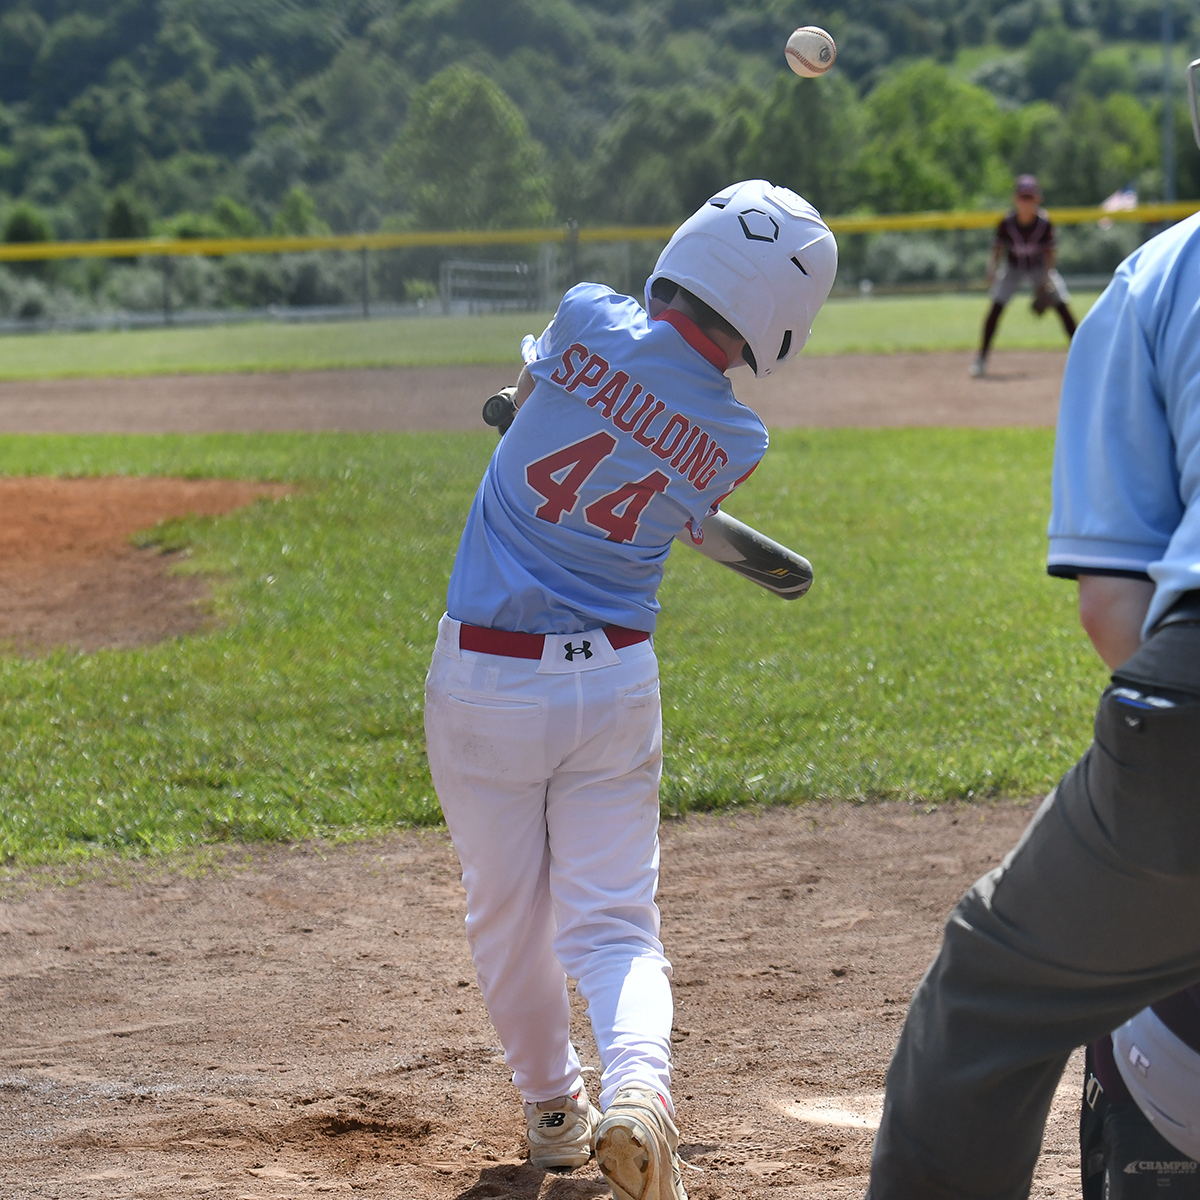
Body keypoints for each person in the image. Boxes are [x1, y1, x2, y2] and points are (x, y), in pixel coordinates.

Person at [423, 180, 836, 1200]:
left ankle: (555, 1114)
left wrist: (528, 398)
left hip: (484, 679)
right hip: (613, 681)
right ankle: (641, 1093)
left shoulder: (582, 314)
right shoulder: (740, 443)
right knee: (614, 923)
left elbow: (525, 404)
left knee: (509, 918)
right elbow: (662, 483)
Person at [864, 68, 1200, 1200]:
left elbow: (1113, 609)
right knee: (1018, 296)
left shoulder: (1163, 272)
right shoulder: (1034, 228)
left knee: (987, 1000)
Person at [970, 174, 1077, 378]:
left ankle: (1086, 359)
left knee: (1063, 307)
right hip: (1013, 268)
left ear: (1038, 198)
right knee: (995, 308)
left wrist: (1045, 281)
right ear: (1015, 199)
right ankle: (981, 359)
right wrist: (992, 268)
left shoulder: (1044, 223)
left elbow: (1050, 255)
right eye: (1022, 197)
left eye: (1030, 197)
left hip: (1040, 268)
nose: (1026, 202)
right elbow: (998, 248)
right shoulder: (1007, 223)